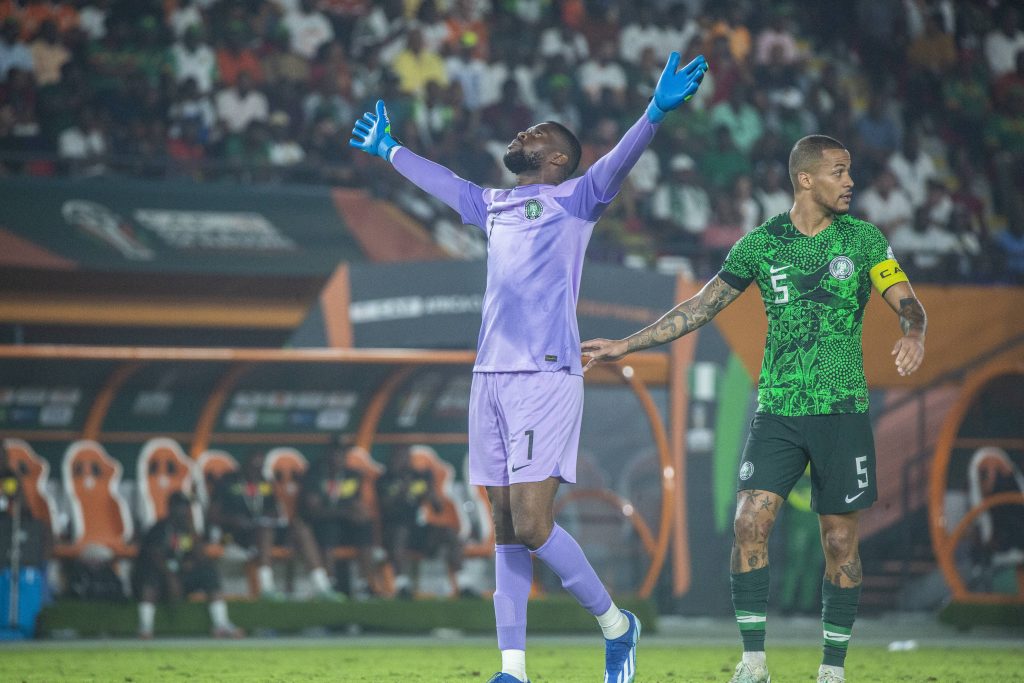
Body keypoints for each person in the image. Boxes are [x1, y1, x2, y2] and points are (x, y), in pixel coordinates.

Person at [349, 50, 709, 683]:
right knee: (506, 525)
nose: (519, 137)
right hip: (489, 376)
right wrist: (390, 151)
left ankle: (617, 627)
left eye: (532, 135)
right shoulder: (492, 204)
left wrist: (653, 112)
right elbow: (444, 184)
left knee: (537, 524)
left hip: (545, 375)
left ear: (557, 158)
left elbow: (618, 162)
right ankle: (512, 670)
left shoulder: (576, 198)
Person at [582, 135, 928, 683]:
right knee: (750, 523)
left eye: (850, 173)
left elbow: (907, 301)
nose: (851, 183)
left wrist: (915, 331)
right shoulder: (761, 244)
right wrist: (627, 344)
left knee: (839, 540)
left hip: (841, 410)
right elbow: (701, 305)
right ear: (806, 179)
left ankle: (832, 667)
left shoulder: (864, 240)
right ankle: (753, 662)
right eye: (840, 172)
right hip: (779, 411)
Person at [208, 450, 338, 601]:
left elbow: (275, 511)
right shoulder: (227, 481)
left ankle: (321, 586)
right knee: (265, 530)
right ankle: (266, 588)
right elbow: (212, 515)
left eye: (259, 468)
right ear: (244, 466)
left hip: (263, 531)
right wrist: (233, 520)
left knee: (300, 528)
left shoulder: (264, 482)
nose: (256, 471)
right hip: (233, 535)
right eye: (253, 467)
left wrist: (271, 516)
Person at [133, 492, 243, 639]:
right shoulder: (159, 528)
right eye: (180, 507)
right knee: (150, 579)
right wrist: (171, 577)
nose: (183, 511)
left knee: (209, 572)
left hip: (180, 577)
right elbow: (154, 557)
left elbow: (200, 556)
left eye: (186, 507)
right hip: (160, 577)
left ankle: (221, 624)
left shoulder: (187, 530)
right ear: (171, 508)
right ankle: (145, 627)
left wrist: (191, 532)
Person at [376, 446, 472, 599]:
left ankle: (463, 584)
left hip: (418, 529)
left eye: (405, 458)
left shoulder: (419, 476)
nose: (402, 462)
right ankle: (402, 586)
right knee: (400, 533)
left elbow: (438, 508)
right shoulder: (384, 480)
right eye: (398, 458)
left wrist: (432, 495)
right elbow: (385, 507)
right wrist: (402, 491)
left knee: (449, 533)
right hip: (393, 531)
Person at [299, 440, 378, 598]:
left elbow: (355, 506)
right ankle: (330, 582)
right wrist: (344, 512)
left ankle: (365, 584)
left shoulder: (352, 475)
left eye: (342, 454)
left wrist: (353, 513)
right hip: (319, 524)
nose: (338, 458)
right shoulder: (314, 475)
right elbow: (314, 511)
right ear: (327, 455)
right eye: (335, 453)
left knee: (364, 526)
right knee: (329, 527)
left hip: (345, 524)